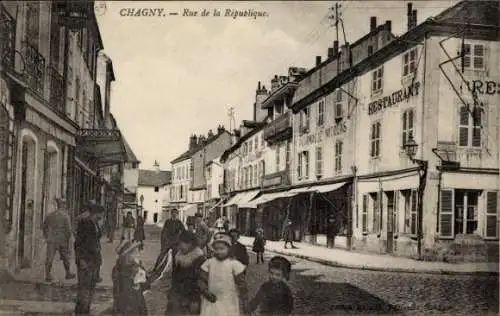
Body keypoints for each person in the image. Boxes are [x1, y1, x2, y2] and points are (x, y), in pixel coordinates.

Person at [199, 232, 248, 316]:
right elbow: (202, 279)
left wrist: (245, 300)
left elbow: (242, 283)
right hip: (211, 300)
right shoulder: (209, 263)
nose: (218, 251)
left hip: (228, 301)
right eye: (216, 249)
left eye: (222, 249)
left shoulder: (233, 264)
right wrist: (205, 291)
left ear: (229, 249)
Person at [74, 202, 104, 315]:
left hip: (94, 260)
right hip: (85, 260)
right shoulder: (85, 223)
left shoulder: (95, 223)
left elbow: (96, 240)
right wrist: (81, 259)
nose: (102, 216)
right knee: (84, 288)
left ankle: (86, 310)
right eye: (101, 214)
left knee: (91, 286)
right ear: (96, 213)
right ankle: (81, 311)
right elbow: (78, 243)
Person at [167, 230, 206, 315]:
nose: (180, 247)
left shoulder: (199, 258)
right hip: (177, 294)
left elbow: (200, 280)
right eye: (179, 244)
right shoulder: (179, 256)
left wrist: (195, 299)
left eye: (182, 244)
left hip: (191, 296)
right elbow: (175, 276)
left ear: (191, 244)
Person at [112, 240, 149, 316]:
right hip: (127, 302)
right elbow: (119, 288)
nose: (138, 255)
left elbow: (146, 285)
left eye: (138, 252)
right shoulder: (120, 269)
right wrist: (134, 282)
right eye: (135, 253)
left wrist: (142, 281)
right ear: (127, 255)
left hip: (138, 301)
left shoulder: (138, 267)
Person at [42, 197, 75, 282]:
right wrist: (68, 240)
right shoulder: (65, 216)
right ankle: (68, 273)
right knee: (65, 257)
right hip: (62, 239)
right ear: (63, 205)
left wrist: (46, 236)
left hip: (51, 239)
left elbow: (44, 227)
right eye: (64, 204)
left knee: (49, 257)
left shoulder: (50, 215)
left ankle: (48, 275)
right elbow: (68, 230)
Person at [151, 209, 185, 274]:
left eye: (175, 213)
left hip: (175, 243)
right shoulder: (167, 221)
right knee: (161, 255)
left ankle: (174, 271)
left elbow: (183, 232)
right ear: (171, 214)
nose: (174, 215)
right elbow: (163, 232)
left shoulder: (179, 222)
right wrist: (163, 243)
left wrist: (179, 239)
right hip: (167, 242)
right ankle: (155, 268)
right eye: (173, 213)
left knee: (175, 257)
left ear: (177, 214)